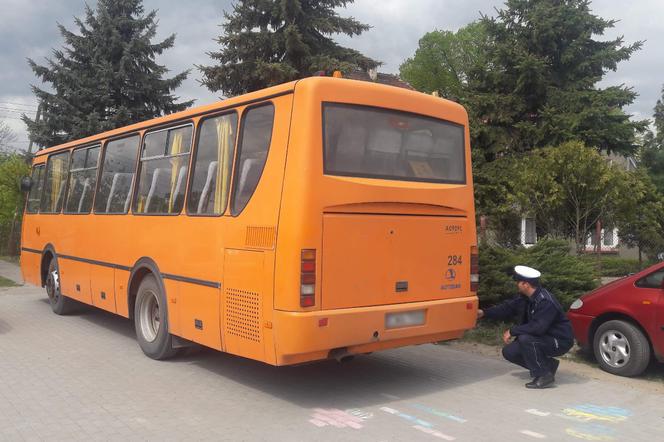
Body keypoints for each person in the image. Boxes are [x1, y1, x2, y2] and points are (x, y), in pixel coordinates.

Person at [477, 265, 574, 389]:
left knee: (525, 339)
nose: (517, 285)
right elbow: (507, 308)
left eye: (519, 282)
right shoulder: (525, 298)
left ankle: (544, 376)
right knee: (509, 352)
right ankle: (548, 366)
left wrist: (512, 331)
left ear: (525, 284)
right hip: (543, 337)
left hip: (560, 340)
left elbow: (538, 327)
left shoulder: (545, 302)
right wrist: (484, 313)